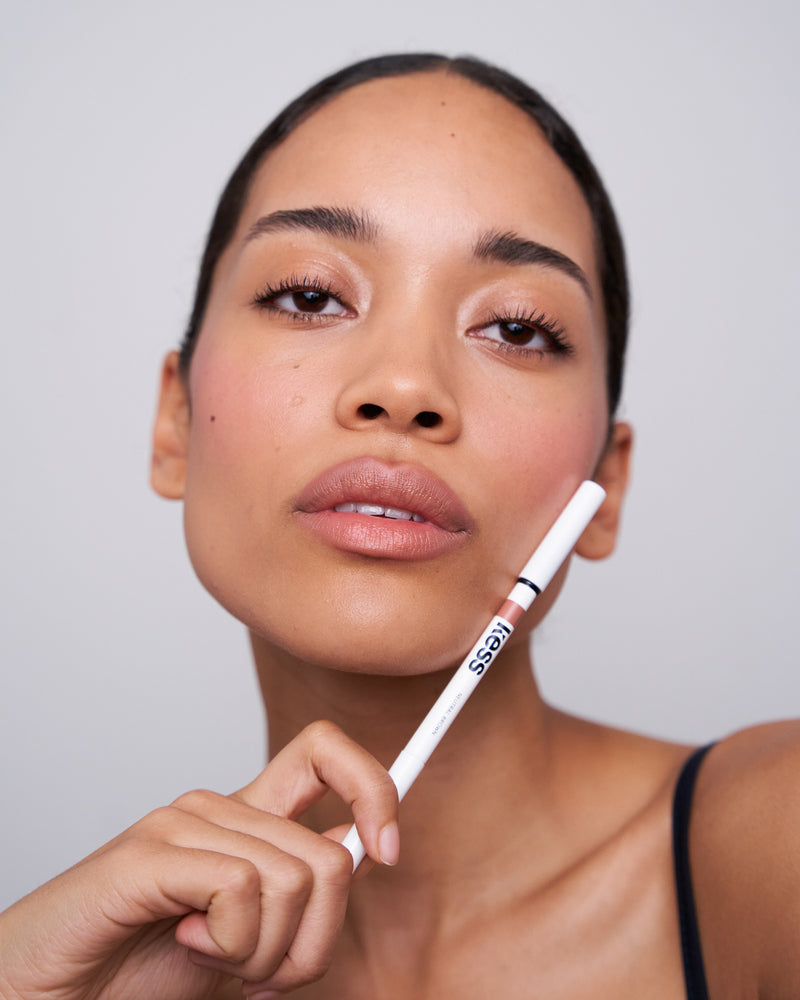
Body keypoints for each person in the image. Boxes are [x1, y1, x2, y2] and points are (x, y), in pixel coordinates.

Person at [1, 52, 798, 1000]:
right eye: (308, 295)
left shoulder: (776, 843)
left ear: (605, 485)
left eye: (516, 327)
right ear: (175, 424)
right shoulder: (99, 972)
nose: (406, 386)